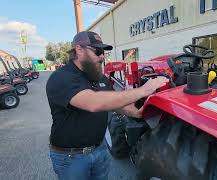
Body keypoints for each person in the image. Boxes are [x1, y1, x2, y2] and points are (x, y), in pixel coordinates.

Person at [46, 31, 168, 180]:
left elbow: (112, 103)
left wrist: (134, 112)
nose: (102, 56)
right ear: (79, 50)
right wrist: (143, 90)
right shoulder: (62, 78)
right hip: (72, 158)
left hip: (100, 149)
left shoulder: (99, 77)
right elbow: (94, 103)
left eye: (103, 52)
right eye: (97, 51)